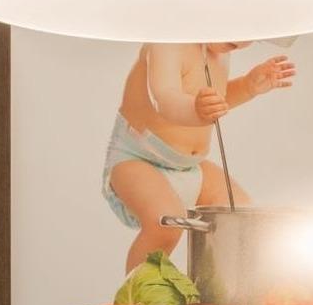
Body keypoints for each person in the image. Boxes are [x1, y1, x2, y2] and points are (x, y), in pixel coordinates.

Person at [103, 42, 295, 273]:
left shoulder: (220, 53)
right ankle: (138, 292)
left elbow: (216, 103)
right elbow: (165, 99)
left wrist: (247, 86)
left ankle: (217, 286)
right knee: (165, 221)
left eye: (248, 35)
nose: (241, 42)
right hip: (138, 159)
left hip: (190, 167)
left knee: (240, 218)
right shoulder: (168, 44)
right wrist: (195, 109)